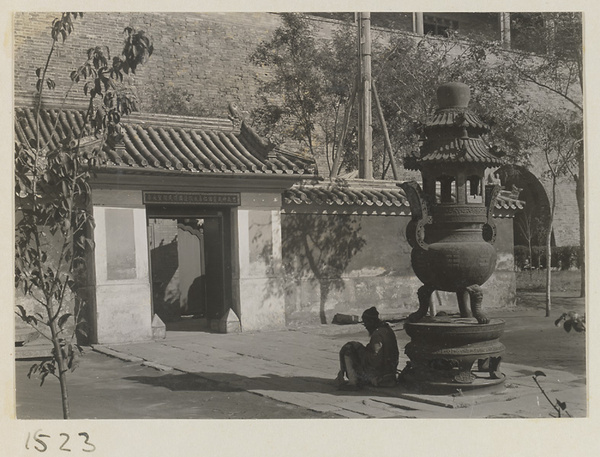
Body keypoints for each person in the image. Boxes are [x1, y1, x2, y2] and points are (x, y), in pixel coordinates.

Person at [335, 307, 399, 389]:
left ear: (371, 321)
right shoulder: (387, 329)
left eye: (366, 323)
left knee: (349, 348)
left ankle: (353, 382)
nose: (365, 326)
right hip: (390, 373)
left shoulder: (377, 334)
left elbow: (374, 360)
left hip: (380, 376)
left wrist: (359, 349)